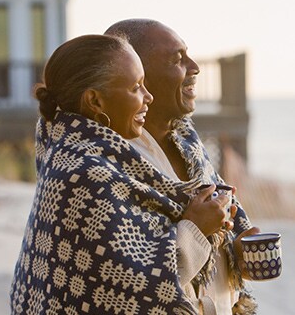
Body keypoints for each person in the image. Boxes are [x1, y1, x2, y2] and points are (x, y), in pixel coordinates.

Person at [10, 34, 232, 314]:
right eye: (136, 87)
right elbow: (138, 289)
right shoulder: (86, 174)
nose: (147, 97)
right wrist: (196, 228)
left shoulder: (88, 156)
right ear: (95, 100)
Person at [105, 19, 260, 315]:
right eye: (177, 59)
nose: (194, 67)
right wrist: (196, 229)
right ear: (135, 75)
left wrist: (234, 250)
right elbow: (127, 284)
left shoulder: (188, 141)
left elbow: (217, 233)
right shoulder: (107, 163)